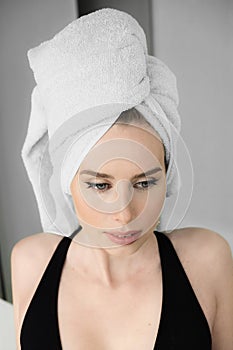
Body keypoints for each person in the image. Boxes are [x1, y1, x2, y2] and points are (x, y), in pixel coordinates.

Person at [11, 8, 233, 350]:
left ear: (168, 175)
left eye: (144, 183)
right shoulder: (30, 262)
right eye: (100, 185)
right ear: (67, 181)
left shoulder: (207, 259)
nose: (126, 214)